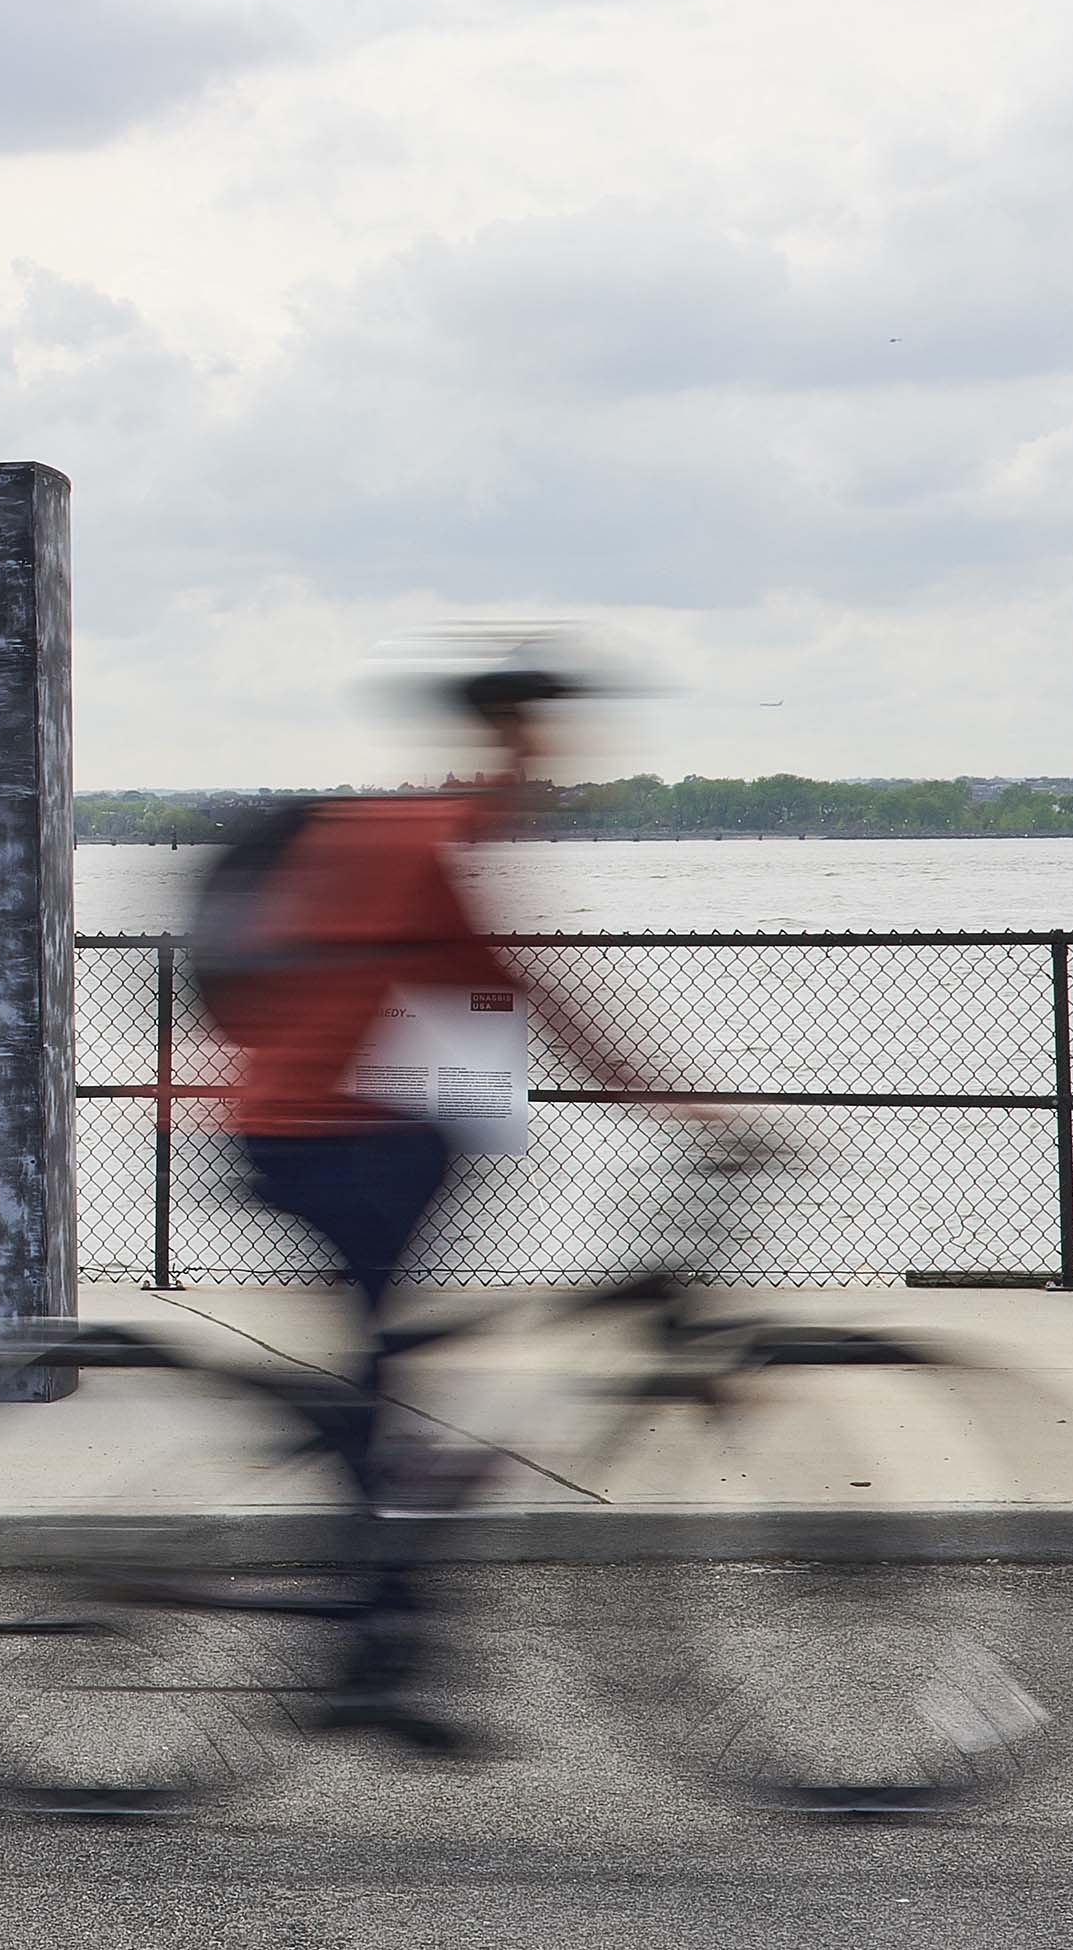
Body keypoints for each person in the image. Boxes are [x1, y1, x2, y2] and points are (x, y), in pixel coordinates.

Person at [211, 663, 667, 1750]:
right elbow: (530, 997)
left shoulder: (416, 840)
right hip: (315, 1129)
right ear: (505, 740)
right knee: (389, 1364)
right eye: (542, 746)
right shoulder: (423, 846)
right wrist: (679, 1103)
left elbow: (488, 1001)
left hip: (323, 1120)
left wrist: (625, 1096)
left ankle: (387, 1605)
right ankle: (373, 1628)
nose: (555, 773)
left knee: (399, 1349)